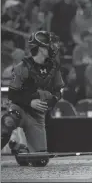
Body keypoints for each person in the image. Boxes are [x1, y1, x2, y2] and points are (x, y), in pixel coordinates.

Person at [1, 31, 64, 167]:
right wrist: (30, 101)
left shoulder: (54, 67)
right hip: (20, 110)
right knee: (8, 121)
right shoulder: (21, 68)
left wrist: (52, 101)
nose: (53, 48)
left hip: (37, 116)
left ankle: (20, 151)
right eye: (49, 45)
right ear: (41, 48)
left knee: (40, 160)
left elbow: (59, 90)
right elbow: (12, 94)